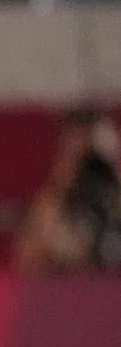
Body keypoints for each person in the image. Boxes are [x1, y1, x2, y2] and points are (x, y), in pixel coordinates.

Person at [16, 107, 121, 274]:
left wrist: (112, 167)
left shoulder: (113, 200)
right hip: (70, 295)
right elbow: (27, 263)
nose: (90, 172)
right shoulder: (49, 209)